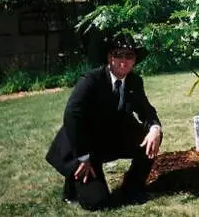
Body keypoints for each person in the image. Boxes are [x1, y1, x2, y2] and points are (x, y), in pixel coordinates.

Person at [45, 34, 162, 211]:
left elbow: (146, 110)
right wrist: (83, 157)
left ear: (135, 60)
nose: (124, 60)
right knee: (97, 202)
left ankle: (131, 189)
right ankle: (73, 181)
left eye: (129, 55)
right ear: (109, 57)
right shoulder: (91, 80)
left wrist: (155, 128)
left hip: (107, 139)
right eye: (118, 54)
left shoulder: (134, 81)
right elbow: (72, 115)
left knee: (152, 137)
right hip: (81, 146)